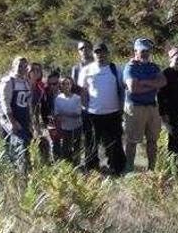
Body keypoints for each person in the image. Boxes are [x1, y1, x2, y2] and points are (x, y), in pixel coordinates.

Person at [79, 42, 126, 175]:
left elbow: (122, 90)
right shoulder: (86, 70)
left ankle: (117, 168)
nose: (100, 55)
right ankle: (92, 169)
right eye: (97, 52)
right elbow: (83, 92)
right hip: (94, 114)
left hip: (113, 113)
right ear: (93, 54)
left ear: (107, 53)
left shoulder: (116, 69)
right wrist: (85, 109)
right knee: (92, 143)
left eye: (102, 52)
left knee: (115, 143)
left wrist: (122, 108)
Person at [123, 38, 167, 172]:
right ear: (135, 51)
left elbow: (163, 82)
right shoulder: (130, 67)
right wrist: (153, 85)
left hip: (152, 107)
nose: (145, 53)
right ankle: (129, 168)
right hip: (135, 107)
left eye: (147, 50)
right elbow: (133, 88)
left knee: (152, 140)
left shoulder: (154, 67)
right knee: (132, 141)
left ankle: (152, 169)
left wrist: (143, 83)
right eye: (142, 50)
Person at [0, 56, 33, 172]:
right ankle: (17, 174)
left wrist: (30, 121)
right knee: (18, 145)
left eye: (24, 66)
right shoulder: (8, 81)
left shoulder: (26, 82)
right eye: (19, 66)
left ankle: (25, 174)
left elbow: (27, 103)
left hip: (24, 119)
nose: (21, 68)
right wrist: (12, 122)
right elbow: (4, 103)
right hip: (12, 119)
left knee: (25, 145)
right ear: (13, 66)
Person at [70, 40, 95, 168]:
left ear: (91, 49)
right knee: (79, 136)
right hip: (81, 107)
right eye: (81, 48)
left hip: (98, 106)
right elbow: (73, 88)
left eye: (86, 47)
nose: (84, 50)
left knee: (93, 136)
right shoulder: (76, 69)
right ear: (79, 51)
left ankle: (91, 163)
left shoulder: (98, 65)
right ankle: (78, 163)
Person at [53, 76, 83, 164]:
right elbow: (57, 114)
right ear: (60, 86)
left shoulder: (77, 98)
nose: (66, 86)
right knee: (66, 149)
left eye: (68, 84)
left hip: (76, 127)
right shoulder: (58, 99)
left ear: (71, 85)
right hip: (64, 128)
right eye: (63, 84)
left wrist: (64, 114)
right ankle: (68, 168)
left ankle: (78, 166)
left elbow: (78, 113)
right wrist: (68, 114)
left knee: (76, 148)